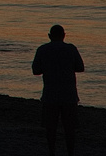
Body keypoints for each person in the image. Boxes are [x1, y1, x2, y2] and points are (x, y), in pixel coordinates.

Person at [32, 24, 85, 155]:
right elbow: (80, 67)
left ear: (49, 36)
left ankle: (52, 152)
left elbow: (36, 71)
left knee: (51, 128)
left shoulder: (42, 49)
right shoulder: (71, 49)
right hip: (69, 94)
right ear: (64, 36)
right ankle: (70, 152)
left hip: (50, 94)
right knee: (70, 129)